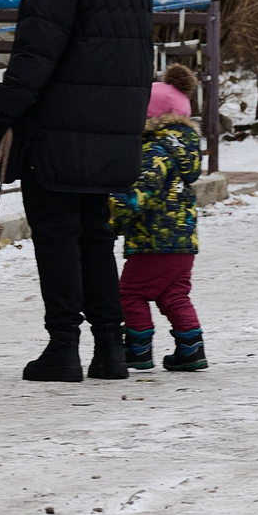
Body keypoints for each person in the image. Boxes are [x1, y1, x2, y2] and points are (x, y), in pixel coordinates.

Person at [0, 0, 152, 384]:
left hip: (57, 131)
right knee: (95, 237)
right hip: (111, 132)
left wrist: (4, 111)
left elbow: (35, 55)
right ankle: (110, 348)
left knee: (56, 238)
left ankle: (63, 347)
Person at [113, 64, 207, 373]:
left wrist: (113, 214)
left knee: (131, 292)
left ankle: (138, 348)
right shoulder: (184, 151)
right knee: (174, 294)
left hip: (153, 241)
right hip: (183, 243)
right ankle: (191, 349)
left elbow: (141, 191)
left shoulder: (154, 151)